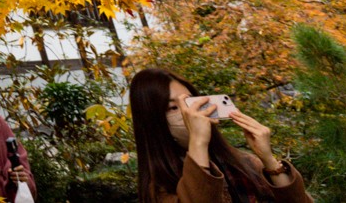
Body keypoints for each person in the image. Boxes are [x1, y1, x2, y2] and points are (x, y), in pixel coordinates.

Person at [128, 67, 310, 202]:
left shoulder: (245, 163)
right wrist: (197, 141)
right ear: (153, 122)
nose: (190, 113)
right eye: (174, 107)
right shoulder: (159, 189)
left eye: (191, 102)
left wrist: (269, 161)